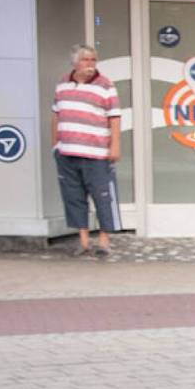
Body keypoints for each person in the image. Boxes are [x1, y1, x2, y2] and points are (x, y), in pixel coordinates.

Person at [53, 44, 123, 256]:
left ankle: (104, 241)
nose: (90, 64)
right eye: (86, 60)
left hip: (97, 152)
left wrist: (115, 145)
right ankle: (83, 240)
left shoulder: (105, 85)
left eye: (93, 60)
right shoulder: (62, 84)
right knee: (73, 196)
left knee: (103, 196)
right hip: (67, 152)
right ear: (75, 63)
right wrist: (55, 145)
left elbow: (114, 117)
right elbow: (55, 114)